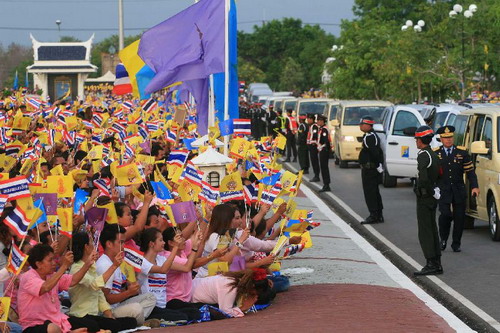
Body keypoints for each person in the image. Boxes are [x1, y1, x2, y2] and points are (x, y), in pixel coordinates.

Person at [69, 232, 137, 333]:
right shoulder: (76, 268)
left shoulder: (92, 267)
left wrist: (109, 315)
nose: (95, 246)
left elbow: (99, 294)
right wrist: (114, 266)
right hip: (81, 315)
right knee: (95, 325)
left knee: (131, 322)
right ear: (86, 247)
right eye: (92, 243)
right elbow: (95, 285)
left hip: (95, 315)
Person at [17, 244, 94, 333]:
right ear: (38, 264)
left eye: (54, 259)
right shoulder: (28, 277)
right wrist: (64, 266)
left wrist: (87, 264)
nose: (54, 263)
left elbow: (73, 281)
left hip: (56, 320)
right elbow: (45, 287)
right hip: (33, 326)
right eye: (50, 260)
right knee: (52, 329)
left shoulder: (52, 275)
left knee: (91, 325)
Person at [95, 224, 157, 326]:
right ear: (109, 244)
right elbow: (106, 299)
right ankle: (137, 323)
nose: (123, 246)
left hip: (117, 306)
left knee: (150, 297)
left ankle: (133, 321)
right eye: (121, 242)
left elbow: (115, 292)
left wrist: (129, 289)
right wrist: (128, 293)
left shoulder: (116, 261)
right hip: (106, 311)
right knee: (136, 309)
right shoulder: (105, 265)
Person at [435, 126, 479, 252]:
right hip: (443, 189)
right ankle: (443, 239)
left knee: (459, 218)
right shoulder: (436, 153)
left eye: (450, 138)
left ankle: (456, 243)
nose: (448, 140)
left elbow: (470, 172)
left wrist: (475, 186)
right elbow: (432, 174)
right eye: (445, 138)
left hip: (458, 189)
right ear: (441, 139)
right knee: (445, 215)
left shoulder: (462, 153)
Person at [413, 126, 443, 276]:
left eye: (417, 139)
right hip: (431, 196)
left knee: (425, 231)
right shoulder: (433, 154)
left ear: (421, 140)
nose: (416, 142)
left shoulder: (423, 155)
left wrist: (430, 190)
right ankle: (436, 262)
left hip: (425, 197)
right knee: (432, 229)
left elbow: (423, 178)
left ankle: (431, 263)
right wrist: (435, 190)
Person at [191, 268, 276, 318]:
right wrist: (244, 308)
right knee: (216, 314)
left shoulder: (237, 279)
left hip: (194, 287)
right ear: (252, 286)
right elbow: (225, 311)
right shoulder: (230, 287)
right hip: (192, 297)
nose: (254, 296)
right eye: (254, 294)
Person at [358, 116, 384, 224]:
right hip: (371, 168)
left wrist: (378, 166)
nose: (360, 126)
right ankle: (378, 214)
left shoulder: (370, 137)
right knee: (374, 192)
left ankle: (374, 215)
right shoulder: (370, 135)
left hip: (370, 169)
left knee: (370, 193)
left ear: (368, 125)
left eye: (362, 124)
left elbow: (375, 153)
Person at [317, 115, 331, 192]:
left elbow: (326, 141)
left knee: (324, 167)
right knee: (323, 167)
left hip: (324, 150)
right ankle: (326, 184)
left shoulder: (324, 130)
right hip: (322, 150)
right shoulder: (321, 129)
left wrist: (321, 147)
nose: (317, 122)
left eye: (319, 120)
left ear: (322, 121)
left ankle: (326, 185)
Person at [306, 114, 321, 182]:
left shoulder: (314, 126)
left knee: (314, 161)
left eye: (308, 119)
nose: (307, 120)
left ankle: (317, 176)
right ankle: (316, 175)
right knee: (313, 161)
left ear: (312, 119)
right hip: (311, 145)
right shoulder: (311, 126)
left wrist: (313, 143)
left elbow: (315, 135)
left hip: (313, 146)